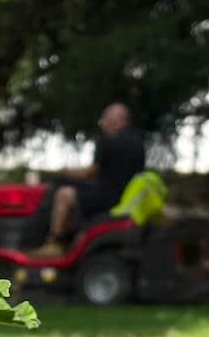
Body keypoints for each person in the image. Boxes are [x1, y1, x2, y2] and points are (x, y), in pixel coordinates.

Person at [29, 102, 145, 257]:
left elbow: (89, 173)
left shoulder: (110, 141)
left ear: (115, 120)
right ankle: (69, 236)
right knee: (78, 191)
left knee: (64, 194)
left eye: (105, 120)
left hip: (106, 197)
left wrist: (63, 173)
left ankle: (55, 243)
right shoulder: (138, 143)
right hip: (126, 196)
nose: (103, 124)